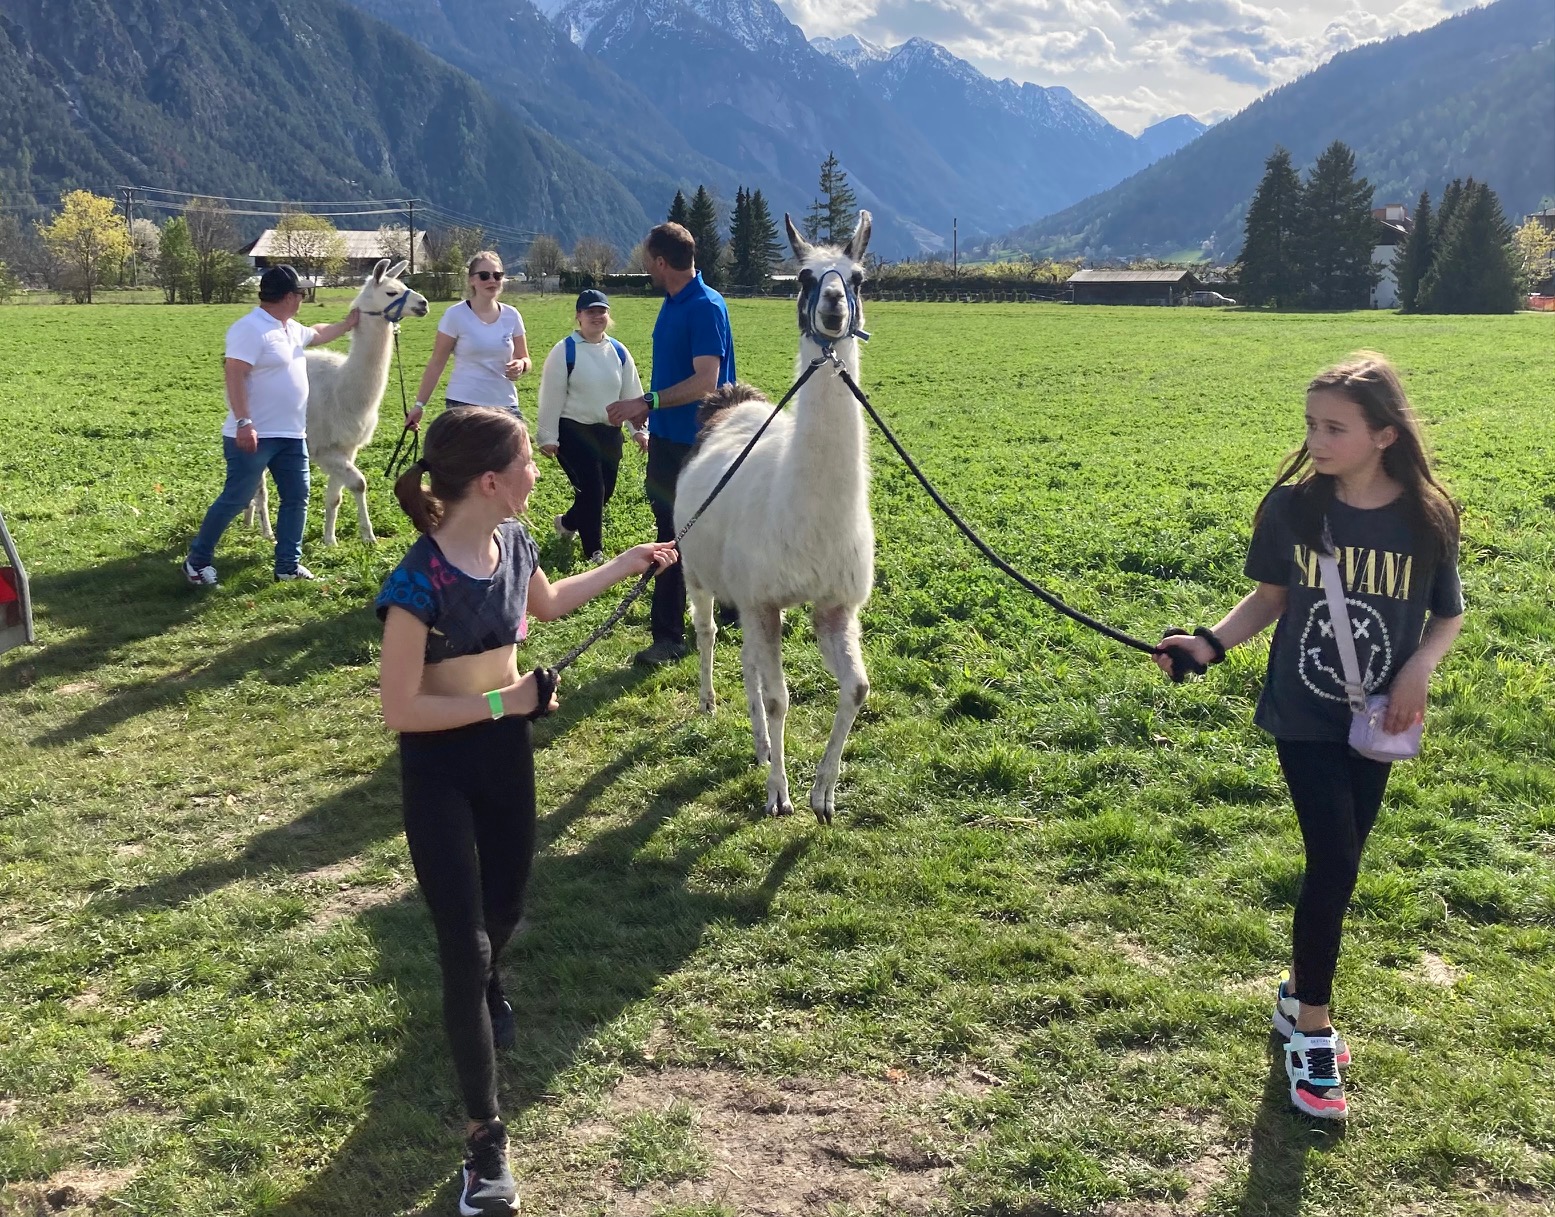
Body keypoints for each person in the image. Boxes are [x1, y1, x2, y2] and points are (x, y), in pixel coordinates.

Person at [374, 406, 676, 1215]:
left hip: (504, 758)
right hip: (438, 767)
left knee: (503, 910)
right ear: (490, 481)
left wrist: (628, 562)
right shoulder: (417, 579)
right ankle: (484, 1144)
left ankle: (490, 976)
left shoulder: (517, 544)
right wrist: (507, 702)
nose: (539, 471)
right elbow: (400, 709)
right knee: (462, 948)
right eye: (528, 462)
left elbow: (543, 606)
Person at [1156, 353, 1463, 1121]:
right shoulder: (1294, 509)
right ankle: (1313, 1033)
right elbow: (1267, 599)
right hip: (1303, 713)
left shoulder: (1426, 516)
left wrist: (1418, 669)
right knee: (1332, 856)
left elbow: (1446, 615)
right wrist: (1206, 644)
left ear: (1384, 434)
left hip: (1380, 719)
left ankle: (1297, 991)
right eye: (1310, 425)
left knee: (1342, 861)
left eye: (1334, 428)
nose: (1316, 440)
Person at [605, 222, 736, 665]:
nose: (646, 272)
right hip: (665, 438)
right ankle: (733, 604)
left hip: (694, 444)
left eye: (648, 264)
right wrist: (651, 413)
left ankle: (669, 636)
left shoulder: (704, 306)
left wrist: (648, 401)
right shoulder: (673, 302)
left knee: (675, 536)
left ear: (662, 262)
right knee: (687, 530)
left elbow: (706, 381)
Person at [183, 264, 358, 586]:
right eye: (302, 293)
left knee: (296, 497)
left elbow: (317, 333)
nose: (304, 299)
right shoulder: (250, 329)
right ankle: (197, 560)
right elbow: (234, 373)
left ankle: (287, 566)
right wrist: (244, 422)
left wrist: (349, 324)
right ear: (290, 296)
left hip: (292, 434)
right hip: (256, 434)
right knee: (236, 498)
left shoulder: (289, 328)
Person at [536, 289, 647, 564]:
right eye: (590, 312)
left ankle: (567, 523)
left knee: (605, 491)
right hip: (574, 429)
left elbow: (632, 393)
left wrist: (639, 431)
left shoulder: (618, 351)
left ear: (608, 316)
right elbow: (551, 395)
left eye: (602, 311)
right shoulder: (565, 350)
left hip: (609, 431)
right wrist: (548, 436)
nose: (597, 316)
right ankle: (593, 551)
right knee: (593, 489)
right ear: (579, 316)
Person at [406, 251, 529, 430]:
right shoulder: (455, 315)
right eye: (484, 276)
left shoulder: (512, 315)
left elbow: (525, 358)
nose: (492, 281)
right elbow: (436, 363)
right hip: (463, 404)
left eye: (497, 275)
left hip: (505, 403)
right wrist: (419, 405)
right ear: (472, 280)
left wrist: (521, 365)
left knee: (517, 456)